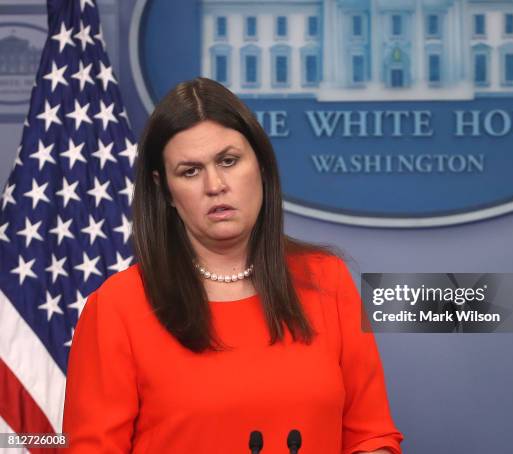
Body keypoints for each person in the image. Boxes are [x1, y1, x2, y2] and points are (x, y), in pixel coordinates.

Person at [62, 77, 404, 453]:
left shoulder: (327, 279)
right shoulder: (118, 307)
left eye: (228, 161)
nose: (216, 185)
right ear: (165, 191)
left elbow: (370, 437)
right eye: (190, 171)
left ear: (260, 166)